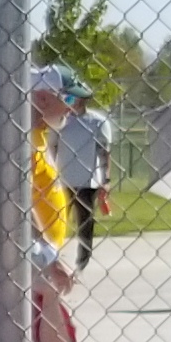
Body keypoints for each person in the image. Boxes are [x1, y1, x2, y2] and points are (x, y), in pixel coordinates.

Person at [36, 64, 114, 272]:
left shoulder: (97, 122)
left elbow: (104, 151)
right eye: (69, 99)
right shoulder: (60, 122)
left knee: (85, 222)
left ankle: (82, 259)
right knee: (57, 217)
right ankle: (53, 255)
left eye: (75, 99)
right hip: (63, 179)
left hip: (88, 180)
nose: (71, 104)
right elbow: (51, 149)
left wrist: (106, 179)